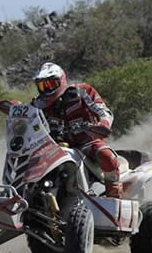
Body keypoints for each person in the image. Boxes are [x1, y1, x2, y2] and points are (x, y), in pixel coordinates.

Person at [31, 62, 122, 198]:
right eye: (42, 86)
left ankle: (114, 195)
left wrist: (103, 124)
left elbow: (104, 111)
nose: (46, 89)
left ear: (61, 80)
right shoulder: (38, 104)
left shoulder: (82, 91)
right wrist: (13, 109)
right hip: (55, 147)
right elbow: (26, 118)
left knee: (107, 156)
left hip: (87, 142)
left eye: (50, 84)